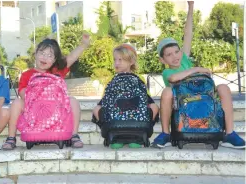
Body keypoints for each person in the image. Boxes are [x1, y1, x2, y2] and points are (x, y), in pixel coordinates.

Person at [151, 1, 245, 149]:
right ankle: (165, 133)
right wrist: (197, 69)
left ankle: (229, 133)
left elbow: (188, 33)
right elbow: (174, 79)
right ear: (162, 60)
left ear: (181, 52)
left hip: (202, 95)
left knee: (223, 88)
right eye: (169, 55)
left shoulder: (184, 59)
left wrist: (191, 7)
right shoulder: (167, 71)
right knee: (167, 91)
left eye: (177, 52)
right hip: (183, 101)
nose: (175, 56)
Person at [2, 34, 91, 150]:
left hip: (55, 111)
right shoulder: (27, 74)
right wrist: (37, 96)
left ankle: (74, 135)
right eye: (42, 53)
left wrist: (83, 45)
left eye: (50, 55)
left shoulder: (56, 71)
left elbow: (71, 58)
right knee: (17, 103)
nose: (45, 57)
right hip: (34, 110)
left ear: (54, 60)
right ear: (36, 54)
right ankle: (11, 138)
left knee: (73, 101)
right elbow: (22, 92)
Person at [92, 43, 159, 149]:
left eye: (120, 60)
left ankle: (137, 136)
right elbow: (107, 98)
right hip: (119, 110)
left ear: (131, 61)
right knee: (96, 109)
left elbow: (144, 96)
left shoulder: (138, 78)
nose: (116, 63)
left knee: (154, 107)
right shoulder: (113, 79)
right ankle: (112, 133)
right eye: (115, 60)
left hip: (134, 110)